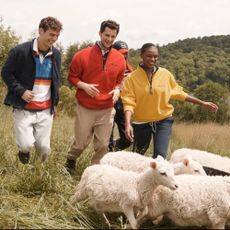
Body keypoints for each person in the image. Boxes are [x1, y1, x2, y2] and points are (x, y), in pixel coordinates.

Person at [121, 43, 218, 159]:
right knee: (137, 155)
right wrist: (127, 124)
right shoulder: (131, 78)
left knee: (160, 157)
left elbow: (179, 93)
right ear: (141, 56)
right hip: (141, 123)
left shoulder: (165, 74)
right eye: (149, 56)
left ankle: (158, 176)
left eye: (155, 56)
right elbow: (128, 103)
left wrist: (202, 103)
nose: (153, 59)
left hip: (163, 121)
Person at [65, 20, 126, 174]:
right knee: (80, 143)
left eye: (113, 36)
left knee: (104, 144)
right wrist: (84, 86)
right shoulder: (82, 55)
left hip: (106, 108)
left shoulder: (120, 59)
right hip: (86, 106)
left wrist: (118, 90)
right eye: (107, 35)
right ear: (100, 33)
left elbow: (120, 80)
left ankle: (94, 172)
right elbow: (72, 77)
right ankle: (71, 160)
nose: (110, 39)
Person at [1, 17, 63, 164]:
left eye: (57, 36)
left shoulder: (57, 55)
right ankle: (24, 153)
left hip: (45, 110)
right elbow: (6, 72)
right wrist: (21, 91)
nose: (53, 39)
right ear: (40, 31)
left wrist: (55, 104)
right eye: (51, 35)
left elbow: (56, 80)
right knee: (25, 145)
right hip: (23, 108)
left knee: (44, 149)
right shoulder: (19, 51)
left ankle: (37, 174)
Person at [108, 40, 133, 152]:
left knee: (129, 138)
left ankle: (112, 150)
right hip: (109, 104)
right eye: (121, 53)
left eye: (125, 53)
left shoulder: (130, 70)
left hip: (123, 106)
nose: (123, 56)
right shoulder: (107, 66)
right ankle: (107, 154)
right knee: (107, 139)